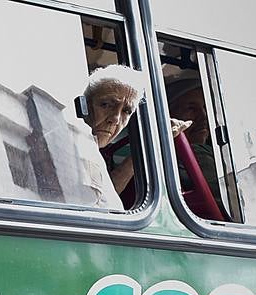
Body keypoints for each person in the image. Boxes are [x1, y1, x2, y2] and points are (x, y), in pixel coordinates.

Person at [82, 64, 189, 207]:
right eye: (106, 104)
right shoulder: (75, 146)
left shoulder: (94, 151)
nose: (115, 119)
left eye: (126, 111)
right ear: (84, 104)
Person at [166, 75, 222, 209]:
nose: (203, 117)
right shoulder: (196, 152)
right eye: (191, 108)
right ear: (169, 115)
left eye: (204, 108)